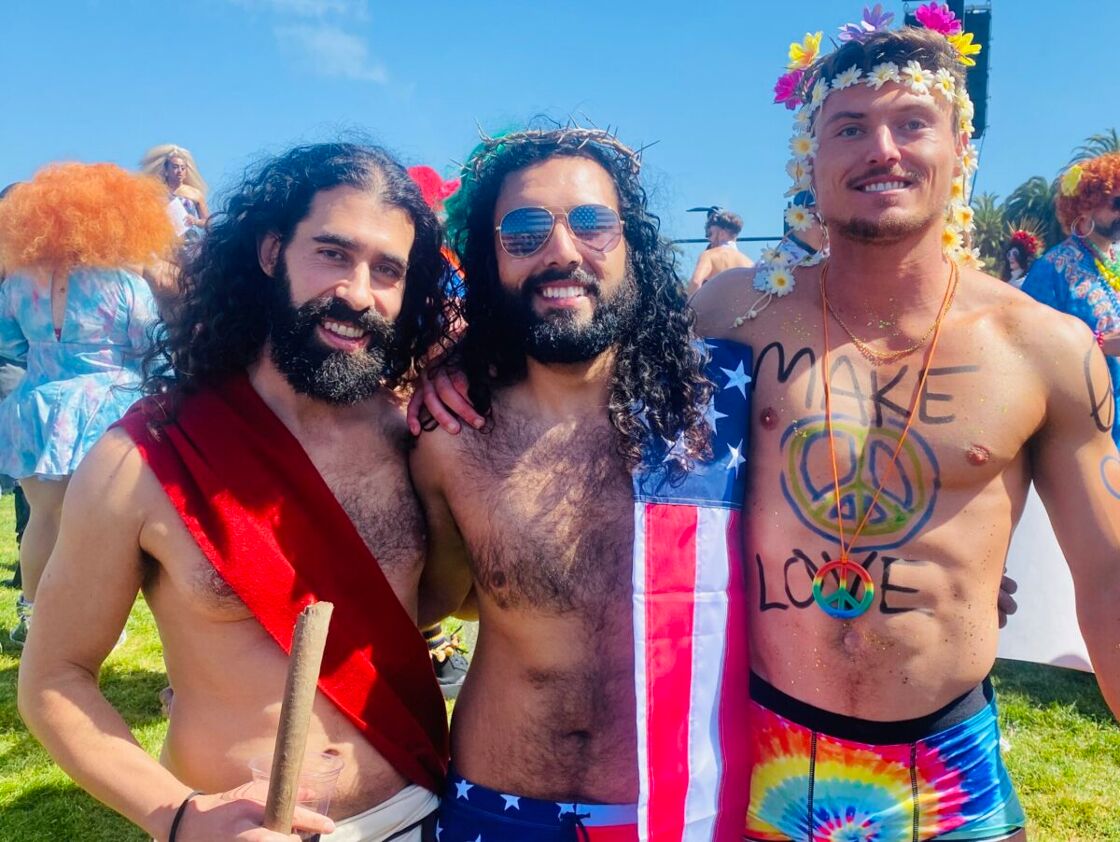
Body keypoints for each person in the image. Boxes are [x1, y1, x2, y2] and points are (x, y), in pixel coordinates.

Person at [693, 11, 1120, 841]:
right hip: (756, 759)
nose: (881, 150)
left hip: (949, 776)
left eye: (912, 123)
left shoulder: (1043, 349)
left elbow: (1110, 574)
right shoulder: (730, 313)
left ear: (960, 150)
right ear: (809, 158)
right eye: (849, 126)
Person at [18, 142, 452, 842]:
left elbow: (450, 598)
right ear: (271, 251)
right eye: (332, 254)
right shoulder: (144, 457)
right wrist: (180, 816)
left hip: (420, 811)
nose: (359, 292)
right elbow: (52, 680)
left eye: (388, 270)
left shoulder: (416, 436)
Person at [411, 126, 753, 841]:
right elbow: (424, 599)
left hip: (683, 807)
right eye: (524, 230)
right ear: (488, 258)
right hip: (498, 809)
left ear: (632, 244)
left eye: (592, 223)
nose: (561, 252)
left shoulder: (723, 411)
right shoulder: (451, 436)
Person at [0, 163, 173, 649]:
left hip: (34, 407)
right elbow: (144, 343)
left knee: (43, 520)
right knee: (98, 527)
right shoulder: (121, 281)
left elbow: (9, 347)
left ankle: (35, 622)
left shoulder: (18, 283)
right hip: (106, 408)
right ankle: (92, 627)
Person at [1021, 152, 1120, 442]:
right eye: (1117, 203)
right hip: (1086, 434)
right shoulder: (1052, 268)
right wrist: (1099, 343)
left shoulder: (1114, 263)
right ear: (1084, 208)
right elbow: (1028, 343)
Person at [141, 144, 210, 234]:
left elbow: (207, 222)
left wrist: (195, 221)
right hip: (164, 242)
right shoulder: (156, 192)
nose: (180, 171)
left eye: (183, 168)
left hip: (190, 243)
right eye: (175, 167)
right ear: (166, 171)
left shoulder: (195, 194)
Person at [687, 207, 753, 295]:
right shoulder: (751, 265)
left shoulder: (709, 256)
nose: (709, 239)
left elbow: (695, 283)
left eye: (710, 234)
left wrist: (691, 306)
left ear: (722, 234)